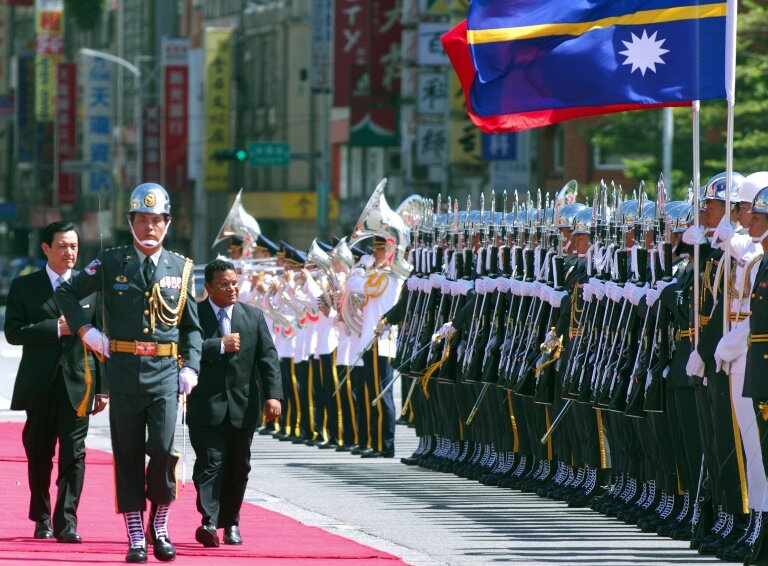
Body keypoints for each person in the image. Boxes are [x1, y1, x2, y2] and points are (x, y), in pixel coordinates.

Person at [56, 183, 203, 564]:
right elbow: (67, 293)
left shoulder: (182, 269)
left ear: (168, 223)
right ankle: (136, 534)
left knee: (164, 451)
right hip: (122, 371)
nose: (150, 227)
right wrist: (88, 333)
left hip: (165, 374)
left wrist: (192, 367)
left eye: (157, 221)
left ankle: (162, 522)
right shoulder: (110, 263)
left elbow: (192, 328)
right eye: (143, 220)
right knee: (128, 454)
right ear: (130, 222)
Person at [5, 220, 105, 543]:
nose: (69, 252)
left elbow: (104, 340)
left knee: (74, 454)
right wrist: (54, 328)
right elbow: (13, 332)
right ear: (45, 248)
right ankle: (42, 516)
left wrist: (104, 388)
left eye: (74, 246)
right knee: (38, 452)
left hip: (80, 383)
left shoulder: (91, 288)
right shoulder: (25, 286)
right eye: (62, 246)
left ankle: (67, 520)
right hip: (40, 383)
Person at [187, 259, 282, 548]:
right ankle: (209, 521)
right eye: (224, 284)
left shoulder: (253, 316)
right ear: (208, 288)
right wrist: (217, 345)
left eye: (234, 283)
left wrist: (273, 395)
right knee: (210, 464)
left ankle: (232, 522)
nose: (231, 288)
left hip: (243, 406)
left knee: (238, 467)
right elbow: (183, 349)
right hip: (205, 406)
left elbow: (268, 359)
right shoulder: (195, 314)